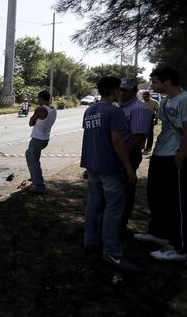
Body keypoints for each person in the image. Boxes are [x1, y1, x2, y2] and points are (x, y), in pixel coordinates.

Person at [82, 76, 139, 271]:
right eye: (119, 90)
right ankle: (112, 253)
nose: (120, 93)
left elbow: (92, 137)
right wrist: (129, 167)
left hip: (92, 165)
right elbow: (118, 141)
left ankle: (90, 240)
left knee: (94, 204)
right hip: (110, 167)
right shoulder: (114, 112)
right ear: (114, 91)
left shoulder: (90, 110)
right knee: (114, 209)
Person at [134, 67, 187, 261]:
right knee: (156, 195)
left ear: (167, 82)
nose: (152, 85)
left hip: (175, 156)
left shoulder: (184, 99)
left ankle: (179, 247)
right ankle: (158, 232)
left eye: (155, 82)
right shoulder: (165, 101)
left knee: (176, 202)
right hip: (160, 153)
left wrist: (181, 154)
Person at [117, 78, 151, 236]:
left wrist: (121, 157)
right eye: (120, 89)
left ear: (135, 90)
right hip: (121, 154)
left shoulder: (138, 108)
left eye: (126, 90)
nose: (122, 92)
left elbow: (137, 138)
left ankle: (120, 225)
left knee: (125, 192)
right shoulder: (123, 106)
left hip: (129, 154)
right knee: (117, 191)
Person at [25, 91, 57, 194]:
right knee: (28, 154)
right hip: (45, 139)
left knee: (34, 162)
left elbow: (30, 123)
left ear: (41, 99)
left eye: (38, 98)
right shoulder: (53, 109)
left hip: (37, 139)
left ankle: (40, 187)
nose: (37, 100)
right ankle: (34, 177)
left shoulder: (40, 109)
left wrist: (34, 117)